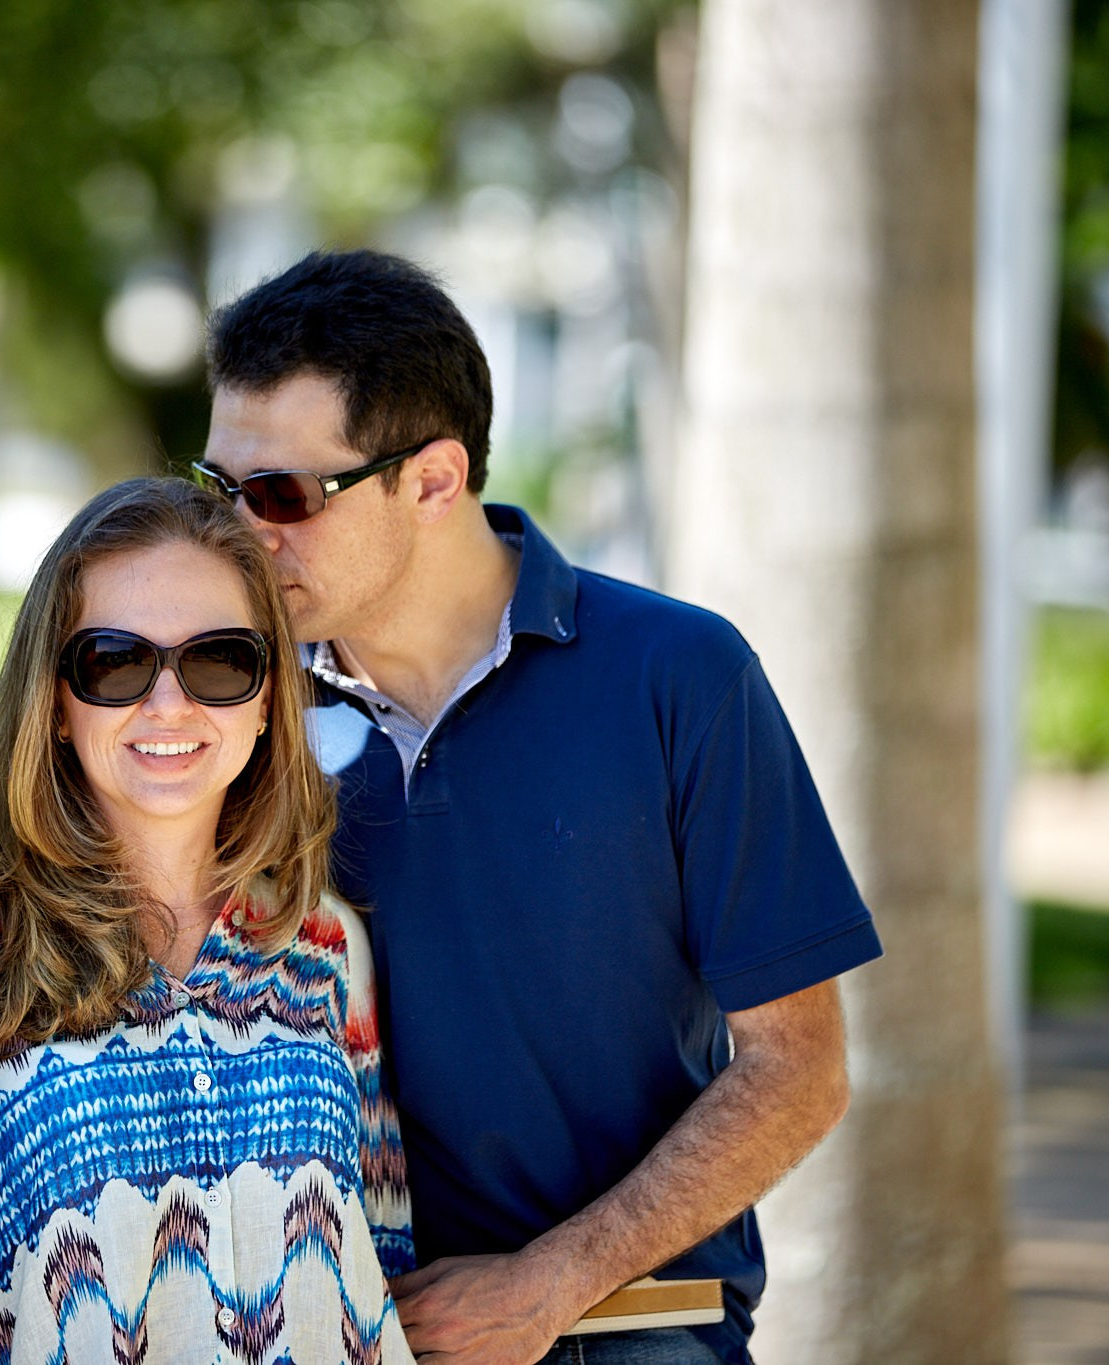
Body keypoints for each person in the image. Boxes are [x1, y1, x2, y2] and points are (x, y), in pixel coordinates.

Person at [196, 250, 884, 1365]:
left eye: (280, 495)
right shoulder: (228, 707)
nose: (239, 532)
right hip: (345, 1340)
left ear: (429, 479)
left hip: (636, 1328)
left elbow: (796, 1069)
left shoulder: (678, 676)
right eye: (217, 488)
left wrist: (549, 1282)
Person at [0, 477, 416, 1365]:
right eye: (115, 661)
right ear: (55, 702)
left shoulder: (324, 942)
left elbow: (382, 1256)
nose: (169, 704)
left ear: (266, 701)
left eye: (220, 661)